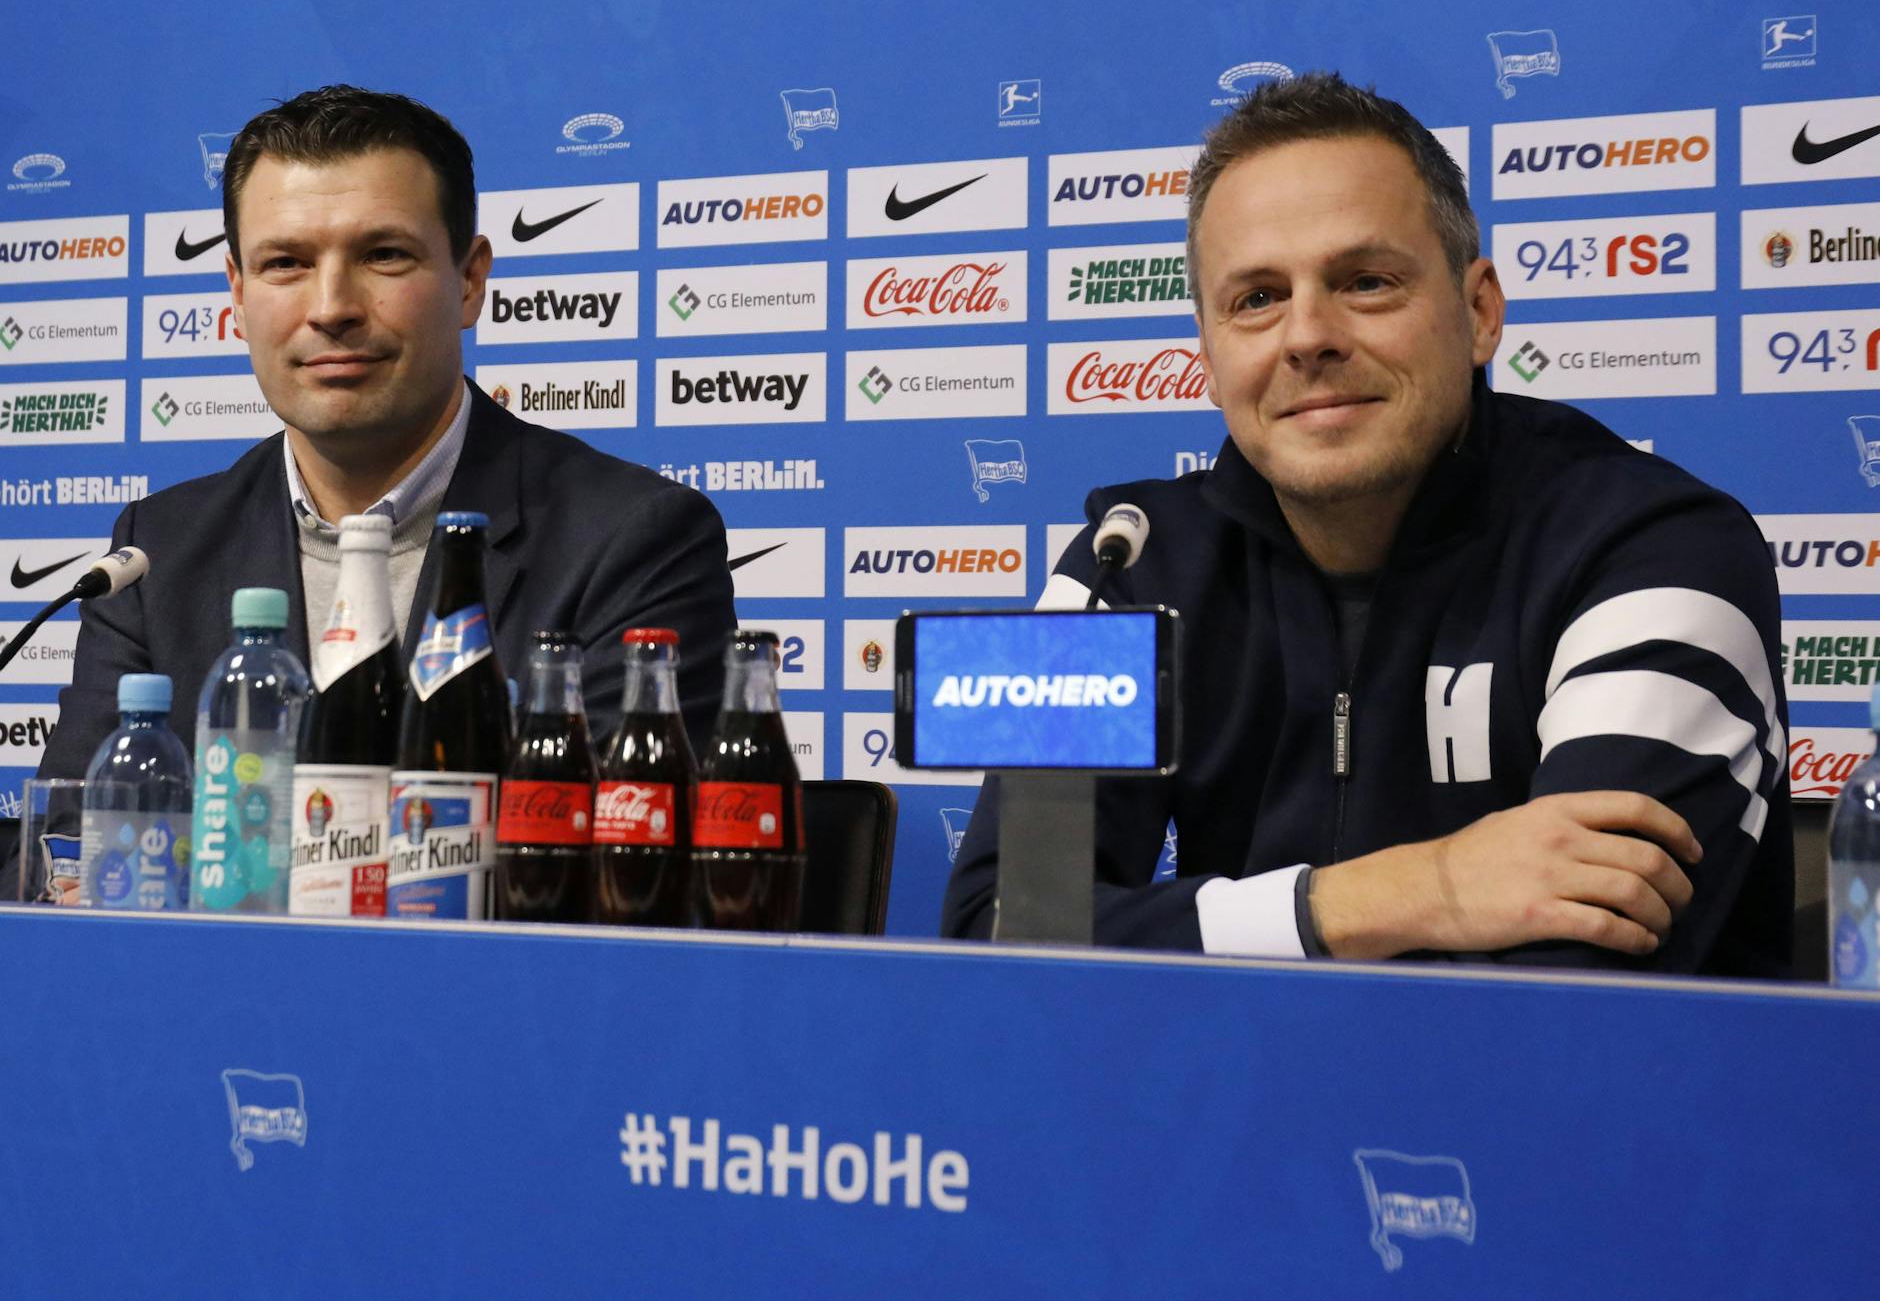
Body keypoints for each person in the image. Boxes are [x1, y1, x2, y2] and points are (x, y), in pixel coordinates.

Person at [942, 73, 1793, 975]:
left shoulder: (1659, 548)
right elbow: (997, 929)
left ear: (1479, 313)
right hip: (1233, 1075)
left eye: (1367, 282)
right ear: (1209, 355)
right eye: (1257, 298)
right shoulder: (1123, 562)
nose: (1307, 335)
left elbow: (1574, 981)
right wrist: (1417, 891)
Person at [38, 84, 735, 783]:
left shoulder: (632, 541)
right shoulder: (158, 553)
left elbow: (628, 844)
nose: (332, 307)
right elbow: (74, 834)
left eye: (383, 254)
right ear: (239, 293)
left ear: (470, 280)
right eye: (286, 263)